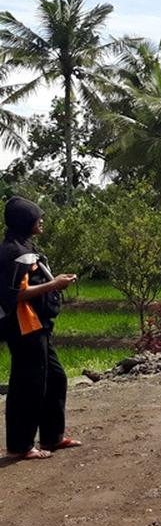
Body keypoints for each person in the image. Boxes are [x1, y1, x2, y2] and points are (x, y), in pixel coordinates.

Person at [1, 197, 79, 461]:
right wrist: (54, 285)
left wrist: (54, 283)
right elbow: (14, 295)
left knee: (56, 379)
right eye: (37, 217)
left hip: (40, 325)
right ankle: (20, 445)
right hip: (24, 327)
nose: (41, 221)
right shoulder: (13, 252)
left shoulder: (26, 247)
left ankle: (52, 437)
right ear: (26, 222)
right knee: (27, 385)